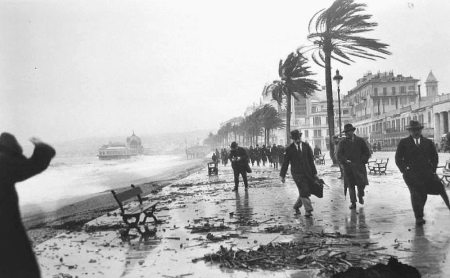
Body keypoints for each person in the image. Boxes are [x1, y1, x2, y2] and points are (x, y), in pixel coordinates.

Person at [0, 133, 56, 278]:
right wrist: (40, 146)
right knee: (19, 264)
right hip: (6, 225)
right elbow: (33, 165)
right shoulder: (4, 162)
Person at [395, 120, 438, 225]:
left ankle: (419, 212)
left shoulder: (428, 142)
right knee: (415, 194)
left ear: (421, 130)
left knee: (423, 195)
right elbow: (398, 158)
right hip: (411, 175)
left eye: (418, 129)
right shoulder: (404, 143)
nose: (416, 132)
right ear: (409, 131)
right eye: (413, 130)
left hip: (425, 174)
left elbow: (434, 157)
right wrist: (404, 170)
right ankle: (418, 217)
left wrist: (432, 169)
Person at [280, 130, 318, 217]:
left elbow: (311, 161)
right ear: (292, 139)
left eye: (298, 138)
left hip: (308, 172)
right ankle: (308, 210)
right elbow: (285, 163)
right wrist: (282, 175)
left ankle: (296, 206)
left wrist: (315, 173)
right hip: (297, 174)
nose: (297, 140)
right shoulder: (289, 149)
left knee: (304, 190)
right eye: (295, 139)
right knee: (304, 190)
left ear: (300, 137)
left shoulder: (306, 146)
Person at [337, 124, 371, 209]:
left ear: (352, 131)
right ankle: (353, 202)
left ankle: (360, 196)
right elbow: (339, 154)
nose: (347, 134)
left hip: (359, 167)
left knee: (361, 184)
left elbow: (367, 152)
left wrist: (362, 160)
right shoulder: (342, 142)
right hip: (348, 167)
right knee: (350, 185)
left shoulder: (360, 141)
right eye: (345, 132)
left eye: (348, 132)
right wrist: (345, 160)